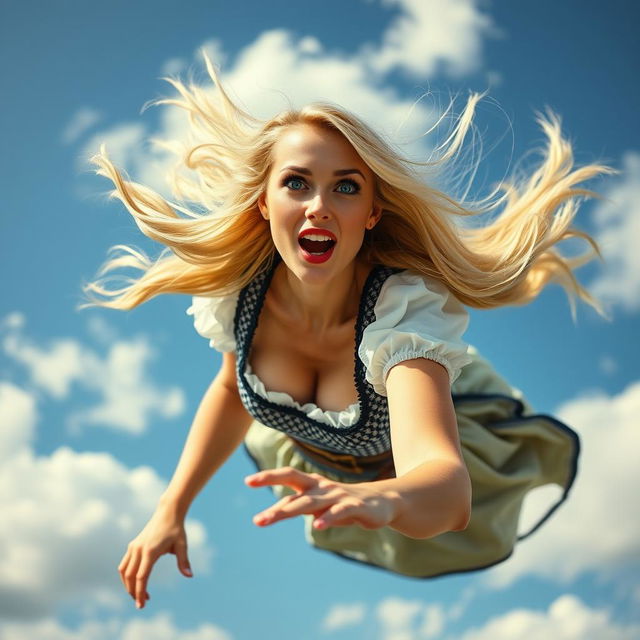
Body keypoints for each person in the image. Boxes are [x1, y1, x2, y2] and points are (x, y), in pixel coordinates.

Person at [78, 54, 611, 610]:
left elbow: (447, 488)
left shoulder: (403, 318)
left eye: (346, 188)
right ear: (264, 202)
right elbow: (231, 390)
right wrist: (171, 508)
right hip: (326, 464)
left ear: (373, 212)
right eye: (296, 183)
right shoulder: (239, 296)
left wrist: (385, 498)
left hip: (409, 475)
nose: (318, 208)